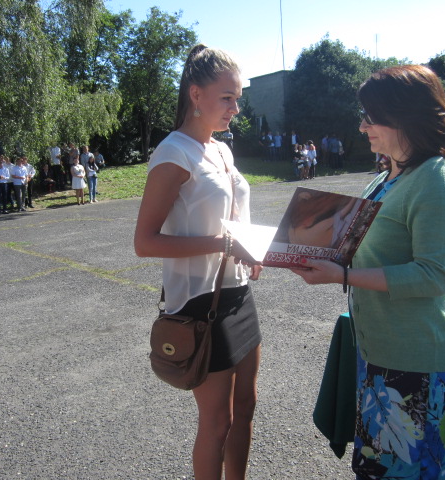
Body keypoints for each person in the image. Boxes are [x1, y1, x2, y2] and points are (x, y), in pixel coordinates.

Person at [292, 65, 445, 479]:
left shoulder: (439, 180)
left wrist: (342, 276)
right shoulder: (390, 174)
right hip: (382, 351)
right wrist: (307, 248)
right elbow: (363, 244)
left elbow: (433, 276)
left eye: (370, 117)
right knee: (380, 467)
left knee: (410, 471)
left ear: (404, 117)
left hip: (418, 356)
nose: (362, 126)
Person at [134, 44, 262, 480]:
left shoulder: (221, 150)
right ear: (196, 94)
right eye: (227, 97)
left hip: (238, 292)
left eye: (237, 98)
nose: (235, 108)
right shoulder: (174, 152)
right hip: (200, 301)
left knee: (246, 406)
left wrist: (251, 248)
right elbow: (145, 242)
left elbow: (234, 216)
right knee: (217, 422)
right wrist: (224, 245)